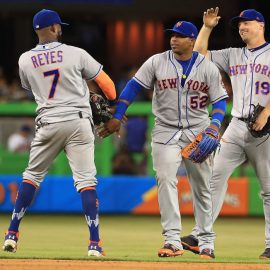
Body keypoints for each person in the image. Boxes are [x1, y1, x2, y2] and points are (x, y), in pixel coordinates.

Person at [99, 20, 228, 259]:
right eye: (172, 35)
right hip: (165, 131)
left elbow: (220, 101)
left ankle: (206, 240)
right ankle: (172, 240)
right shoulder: (157, 61)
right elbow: (132, 88)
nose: (173, 39)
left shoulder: (207, 67)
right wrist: (117, 115)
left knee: (202, 186)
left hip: (198, 131)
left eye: (179, 36)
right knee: (165, 179)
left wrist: (214, 125)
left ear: (192, 40)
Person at [2, 9, 116, 257]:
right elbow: (109, 87)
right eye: (59, 26)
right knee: (86, 181)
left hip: (48, 122)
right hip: (78, 121)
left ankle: (12, 233)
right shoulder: (76, 53)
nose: (60, 28)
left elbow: (32, 87)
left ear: (36, 30)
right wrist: (98, 100)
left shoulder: (24, 59)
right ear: (54, 28)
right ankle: (94, 244)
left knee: (31, 177)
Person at [181, 8, 270, 260]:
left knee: (268, 190)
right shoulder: (233, 54)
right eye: (239, 24)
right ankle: (200, 235)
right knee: (213, 180)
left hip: (265, 130)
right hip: (236, 125)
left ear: (260, 25)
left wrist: (267, 111)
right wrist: (207, 27)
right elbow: (198, 55)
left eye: (247, 23)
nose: (242, 27)